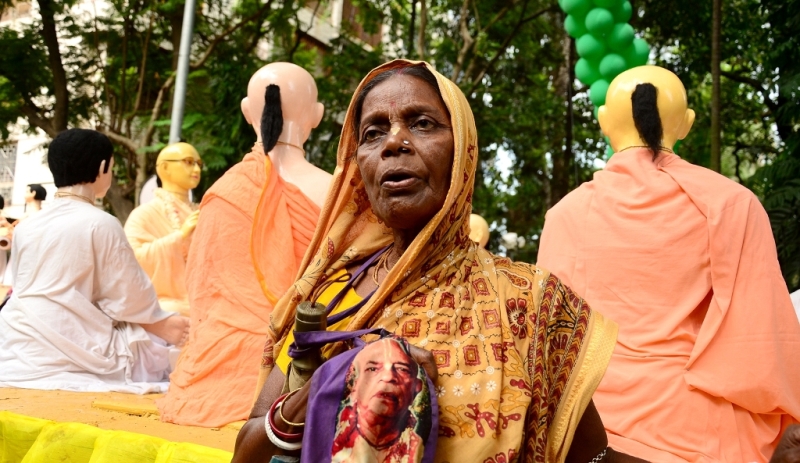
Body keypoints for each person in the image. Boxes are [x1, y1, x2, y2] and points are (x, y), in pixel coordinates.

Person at [233, 60, 645, 463]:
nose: (394, 142)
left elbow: (594, 457)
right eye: (373, 132)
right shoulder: (331, 296)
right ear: (359, 166)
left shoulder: (529, 300)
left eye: (422, 123)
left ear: (463, 149)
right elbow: (248, 450)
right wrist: (338, 375)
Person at [538, 66, 800, 462]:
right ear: (688, 124)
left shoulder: (564, 214)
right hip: (698, 429)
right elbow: (760, 339)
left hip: (589, 424)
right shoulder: (730, 202)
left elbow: (550, 343)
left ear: (604, 122)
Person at [158, 62, 331, 427]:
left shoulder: (223, 192)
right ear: (317, 116)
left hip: (216, 373)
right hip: (299, 367)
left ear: (246, 110)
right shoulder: (336, 193)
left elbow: (203, 292)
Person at [0, 128, 189, 394]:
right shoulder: (101, 223)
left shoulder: (26, 226)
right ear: (102, 167)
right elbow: (129, 299)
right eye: (111, 167)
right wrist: (161, 322)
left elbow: (21, 285)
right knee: (166, 343)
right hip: (79, 345)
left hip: (15, 342)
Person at [124, 142, 202, 316]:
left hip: (205, 301)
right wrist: (179, 237)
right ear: (165, 168)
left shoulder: (201, 212)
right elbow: (131, 261)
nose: (197, 169)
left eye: (199, 164)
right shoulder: (143, 214)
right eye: (189, 162)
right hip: (167, 305)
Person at [331, 338, 425, 462]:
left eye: (402, 369)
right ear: (355, 384)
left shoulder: (417, 446)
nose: (388, 377)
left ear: (417, 387)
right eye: (373, 369)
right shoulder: (327, 417)